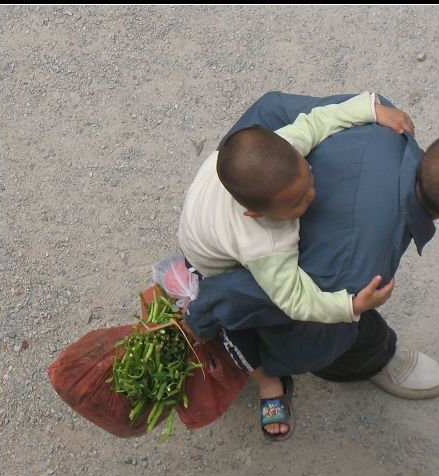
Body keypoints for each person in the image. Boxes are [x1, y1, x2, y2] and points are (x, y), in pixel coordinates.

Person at [184, 91, 439, 439]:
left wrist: (243, 169)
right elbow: (254, 293)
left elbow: (273, 108)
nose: (313, 194)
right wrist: (202, 314)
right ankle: (367, 359)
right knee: (331, 332)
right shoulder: (353, 266)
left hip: (212, 207)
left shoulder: (380, 116)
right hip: (219, 267)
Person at [177, 92, 414, 440]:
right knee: (236, 329)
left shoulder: (285, 147)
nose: (312, 196)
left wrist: (370, 110)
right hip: (211, 265)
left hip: (204, 219)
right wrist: (348, 306)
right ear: (256, 214)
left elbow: (318, 120)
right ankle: (268, 380)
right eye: (297, 203)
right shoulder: (263, 243)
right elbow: (294, 298)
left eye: (309, 180)